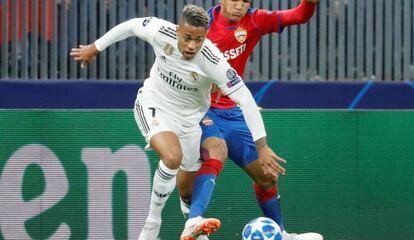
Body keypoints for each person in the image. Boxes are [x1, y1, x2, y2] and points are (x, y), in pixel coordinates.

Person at [70, 4, 285, 240]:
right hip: (154, 105)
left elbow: (245, 99)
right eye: (187, 38)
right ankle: (152, 224)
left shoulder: (213, 60)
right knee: (172, 157)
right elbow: (131, 26)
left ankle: (193, 227)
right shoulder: (160, 30)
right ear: (178, 30)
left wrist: (262, 146)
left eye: (199, 39)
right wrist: (95, 47)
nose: (192, 45)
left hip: (191, 120)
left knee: (188, 193)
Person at [180, 1, 323, 240]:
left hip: (233, 111)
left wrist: (310, 3)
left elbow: (299, 16)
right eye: (235, 0)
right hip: (199, 109)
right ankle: (194, 221)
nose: (240, 5)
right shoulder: (202, 26)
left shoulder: (255, 20)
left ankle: (282, 234)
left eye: (245, 1)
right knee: (216, 149)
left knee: (267, 176)